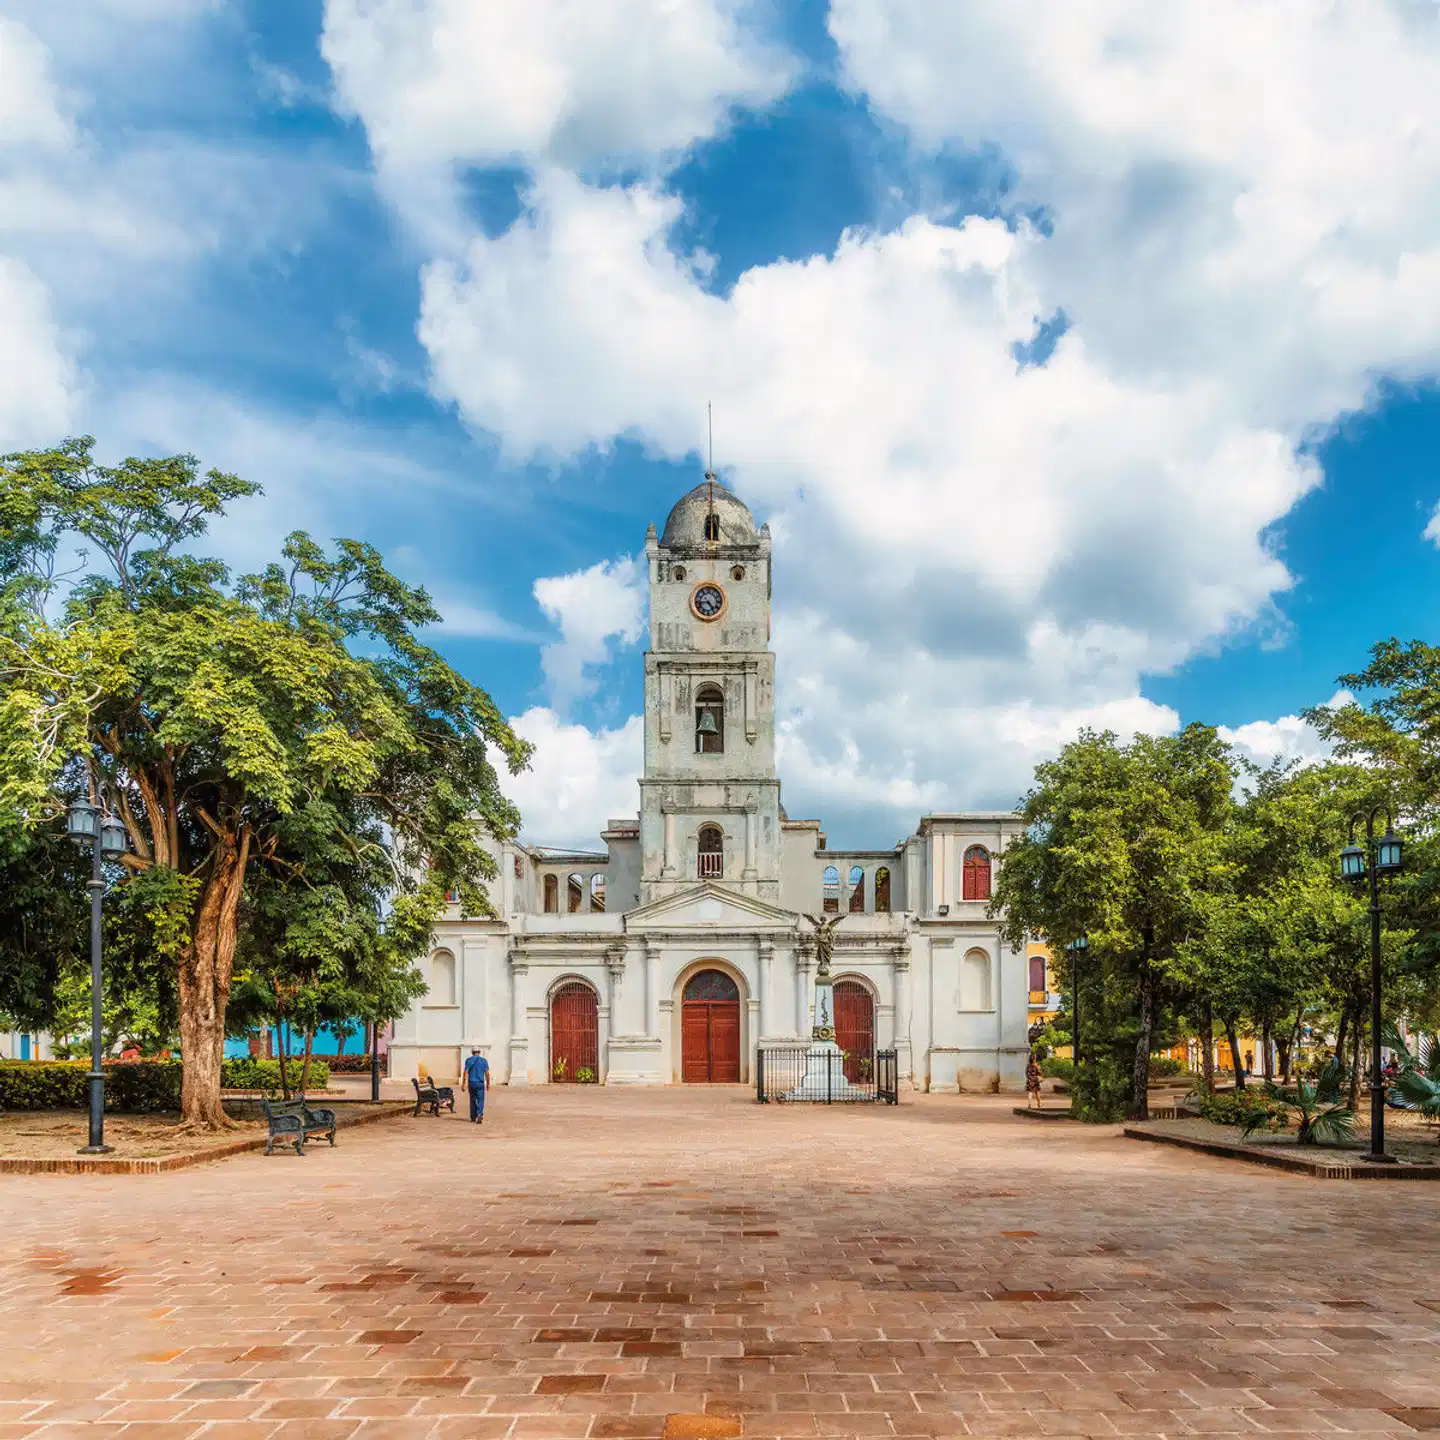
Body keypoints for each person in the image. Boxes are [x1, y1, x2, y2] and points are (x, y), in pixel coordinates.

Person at [462, 1047, 491, 1124]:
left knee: (472, 1100)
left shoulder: (468, 1060)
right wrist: (488, 1084)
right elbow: (487, 1074)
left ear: (472, 1052)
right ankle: (479, 1114)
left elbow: (465, 1073)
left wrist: (463, 1084)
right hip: (480, 1083)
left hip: (471, 1083)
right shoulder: (483, 1061)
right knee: (480, 1100)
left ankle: (473, 1117)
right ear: (479, 1052)